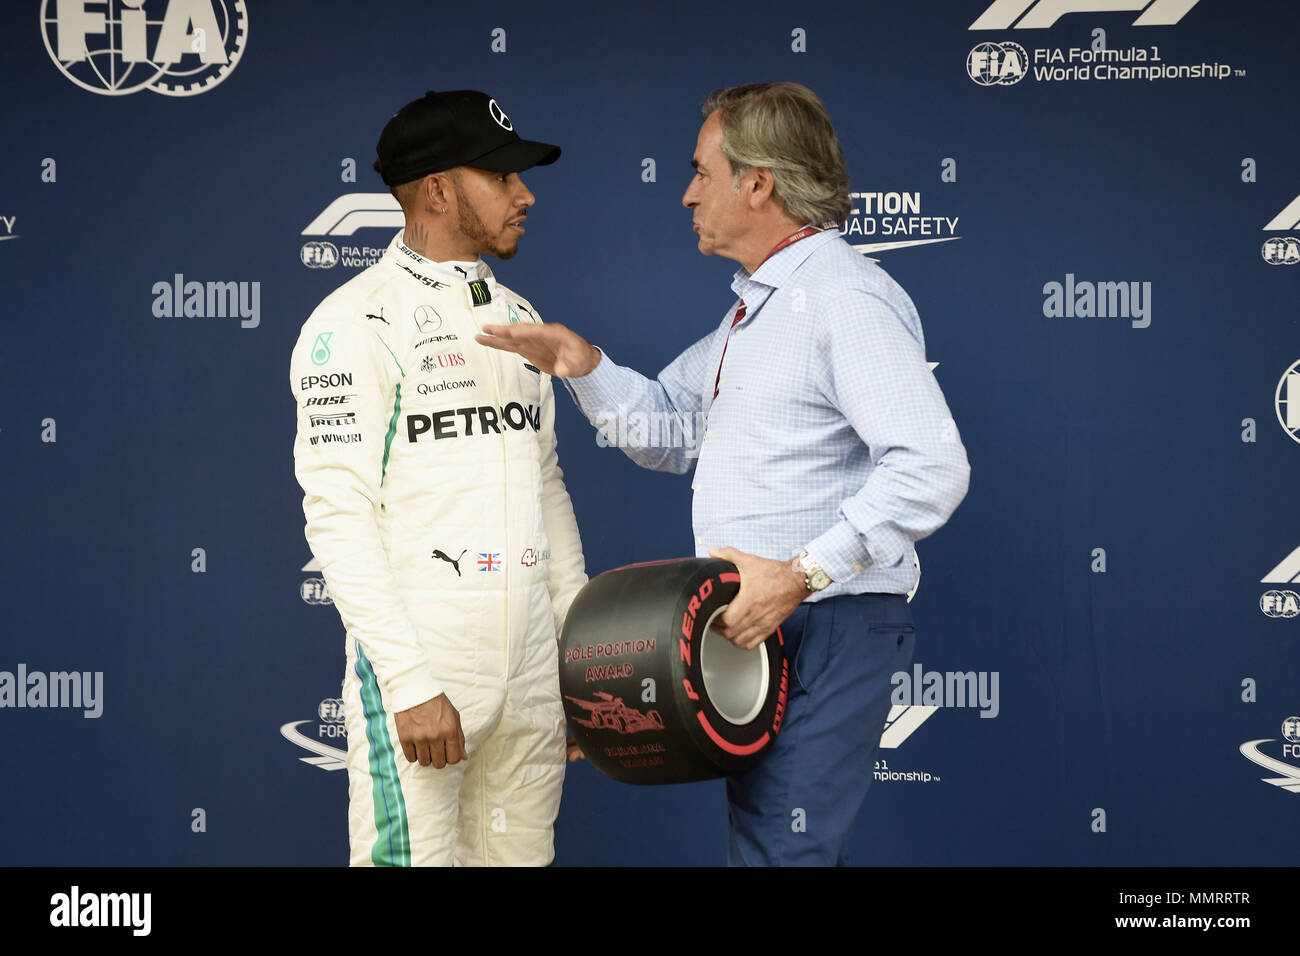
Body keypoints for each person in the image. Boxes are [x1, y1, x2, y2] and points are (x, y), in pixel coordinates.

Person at [476, 82, 970, 865]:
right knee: (774, 850)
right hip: (765, 623)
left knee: (782, 854)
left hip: (828, 619)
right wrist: (580, 363)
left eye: (702, 172)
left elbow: (932, 467)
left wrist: (802, 575)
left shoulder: (842, 298)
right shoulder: (755, 313)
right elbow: (667, 430)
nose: (686, 194)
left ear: (759, 183)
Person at [290, 89, 587, 867]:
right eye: (501, 175)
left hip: (530, 673)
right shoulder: (351, 322)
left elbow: (545, 482)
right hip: (427, 668)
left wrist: (579, 656)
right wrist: (409, 681)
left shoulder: (520, 313)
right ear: (439, 191)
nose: (524, 194)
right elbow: (338, 514)